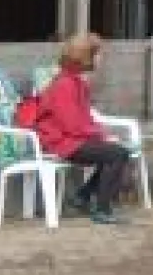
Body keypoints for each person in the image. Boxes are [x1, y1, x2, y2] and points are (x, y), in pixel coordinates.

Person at [31, 33, 133, 225]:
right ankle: (102, 210)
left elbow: (84, 119)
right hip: (61, 143)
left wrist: (103, 135)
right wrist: (102, 136)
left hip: (72, 139)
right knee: (117, 154)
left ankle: (83, 197)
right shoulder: (64, 85)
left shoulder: (76, 82)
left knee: (117, 152)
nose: (101, 58)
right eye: (98, 54)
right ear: (85, 57)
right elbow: (72, 125)